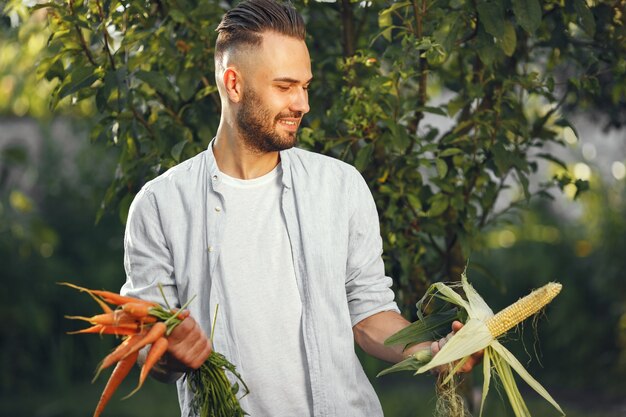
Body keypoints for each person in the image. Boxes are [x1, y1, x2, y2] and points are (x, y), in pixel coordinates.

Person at [121, 0, 480, 415]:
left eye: (305, 86)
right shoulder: (160, 206)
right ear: (234, 84)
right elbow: (148, 342)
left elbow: (369, 315)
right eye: (285, 86)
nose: (302, 104)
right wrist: (169, 354)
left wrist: (431, 350)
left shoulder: (340, 187)